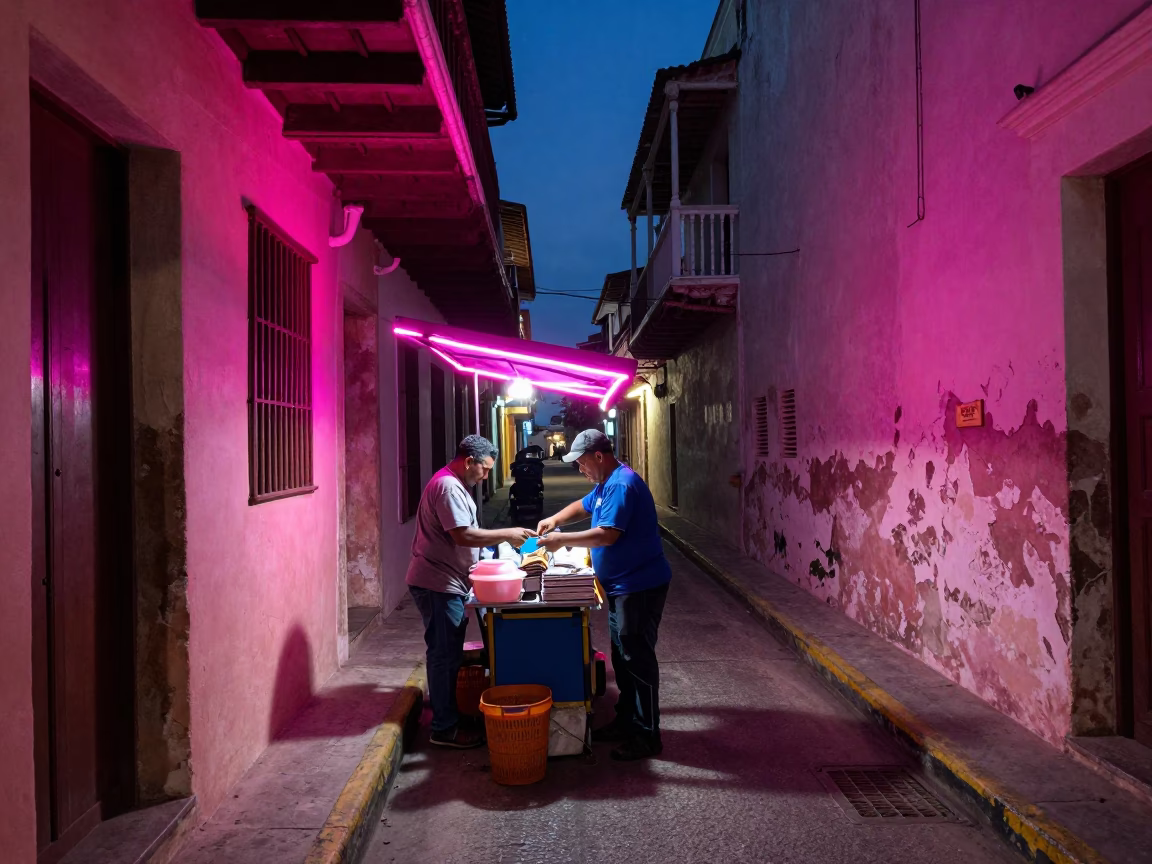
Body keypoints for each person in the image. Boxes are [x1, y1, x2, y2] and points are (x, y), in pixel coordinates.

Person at [537, 429, 672, 761]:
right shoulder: (604, 484)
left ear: (599, 456)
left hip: (639, 587)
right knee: (623, 658)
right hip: (620, 587)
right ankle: (627, 720)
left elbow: (607, 535)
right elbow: (583, 507)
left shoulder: (622, 484)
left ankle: (647, 735)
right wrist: (555, 519)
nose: (580, 470)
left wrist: (562, 540)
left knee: (637, 659)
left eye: (582, 463)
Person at [407, 435, 535, 748]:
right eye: (486, 469)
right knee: (443, 655)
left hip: (450, 581)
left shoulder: (454, 484)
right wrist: (507, 534)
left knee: (450, 653)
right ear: (469, 462)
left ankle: (448, 715)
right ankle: (444, 728)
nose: (487, 476)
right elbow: (463, 535)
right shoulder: (448, 486)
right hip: (437, 583)